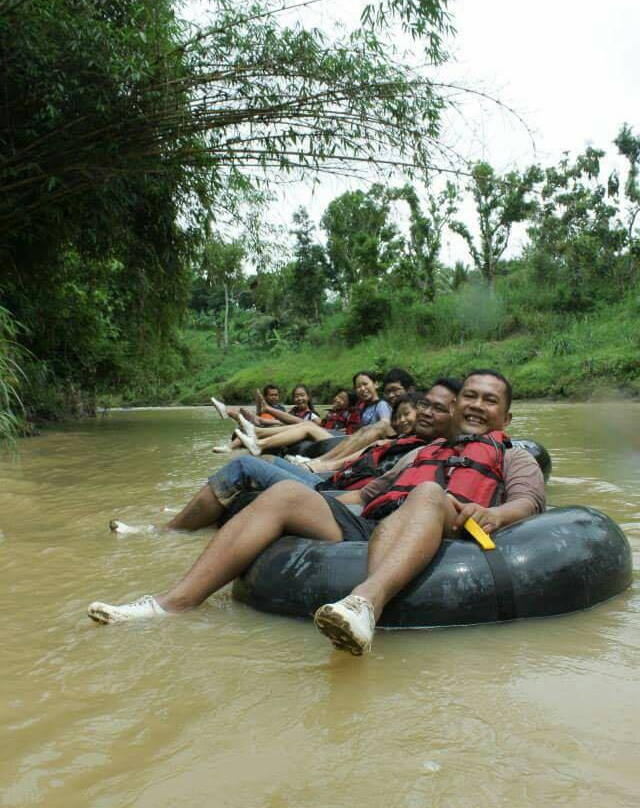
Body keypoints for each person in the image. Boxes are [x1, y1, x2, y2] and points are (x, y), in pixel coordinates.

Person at [89, 370, 544, 659]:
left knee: (427, 491)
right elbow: (367, 496)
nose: (476, 406)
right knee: (286, 492)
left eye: (489, 400)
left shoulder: (512, 456)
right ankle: (172, 604)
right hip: (376, 524)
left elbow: (530, 502)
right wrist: (309, 495)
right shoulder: (424, 450)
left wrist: (497, 516)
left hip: (446, 530)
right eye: (470, 396)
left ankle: (365, 605)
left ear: (506, 413)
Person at [147, 383, 454, 533]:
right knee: (269, 466)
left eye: (433, 411)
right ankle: (193, 513)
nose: (403, 422)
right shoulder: (404, 442)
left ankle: (168, 531)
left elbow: (368, 494)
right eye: (418, 411)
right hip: (333, 481)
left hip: (333, 492)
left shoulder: (424, 449)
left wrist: (320, 478)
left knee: (245, 467)